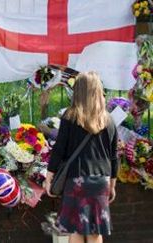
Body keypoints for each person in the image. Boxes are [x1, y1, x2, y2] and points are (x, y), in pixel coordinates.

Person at [44, 72, 119, 243]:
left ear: (77, 91)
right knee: (95, 231)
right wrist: (112, 185)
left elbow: (59, 150)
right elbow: (114, 157)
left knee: (75, 230)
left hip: (75, 181)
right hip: (101, 181)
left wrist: (49, 177)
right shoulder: (109, 121)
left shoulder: (69, 117)